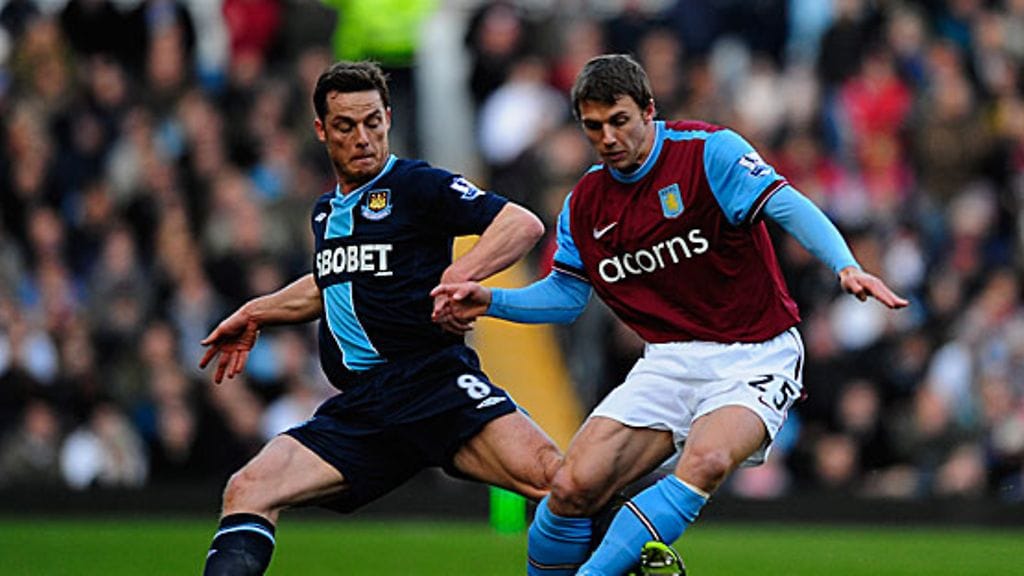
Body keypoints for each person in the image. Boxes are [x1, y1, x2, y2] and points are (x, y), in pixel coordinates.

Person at [431, 54, 908, 576]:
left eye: (619, 121)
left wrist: (844, 265)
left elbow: (786, 203)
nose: (608, 138)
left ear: (648, 110)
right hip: (671, 360)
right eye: (594, 127)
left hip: (757, 352)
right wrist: (493, 300)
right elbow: (567, 296)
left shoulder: (708, 152)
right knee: (570, 487)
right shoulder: (585, 204)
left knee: (704, 461)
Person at [198, 60, 562, 575]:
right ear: (322, 130)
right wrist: (257, 312)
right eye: (346, 126)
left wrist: (459, 275)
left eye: (373, 121)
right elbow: (330, 285)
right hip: (364, 410)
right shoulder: (326, 212)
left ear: (389, 117)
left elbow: (520, 224)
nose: (363, 137)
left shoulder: (415, 184)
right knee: (249, 488)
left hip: (433, 386)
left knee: (557, 480)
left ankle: (638, 559)